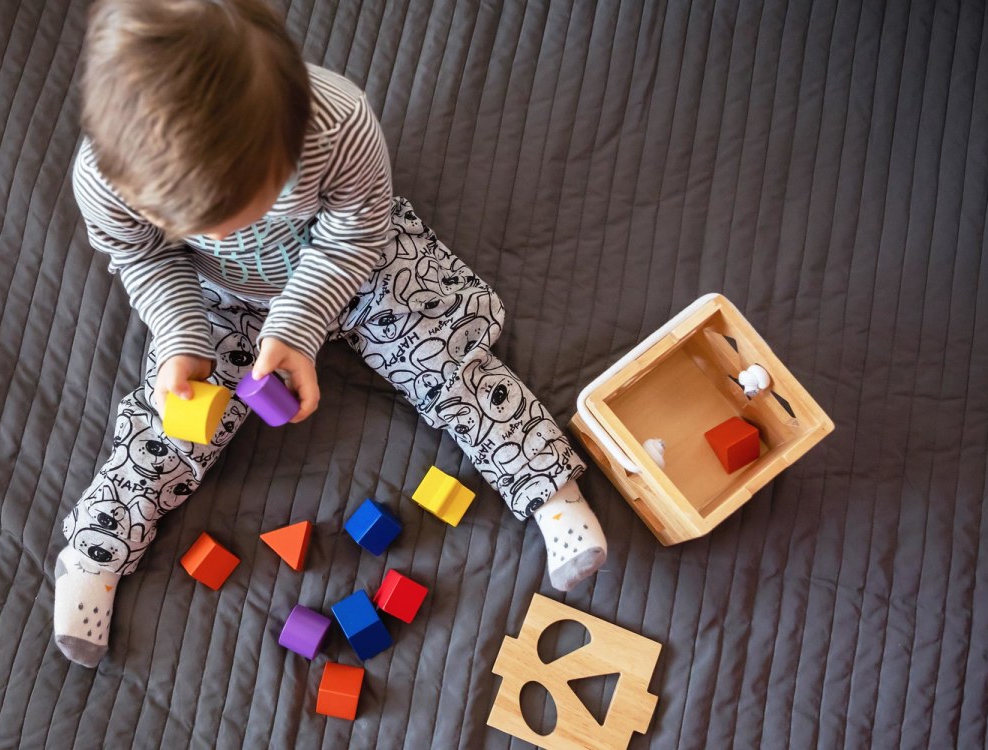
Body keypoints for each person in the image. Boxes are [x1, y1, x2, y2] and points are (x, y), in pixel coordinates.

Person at [53, 0, 607, 667]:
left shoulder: (337, 122)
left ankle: (550, 488)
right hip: (220, 300)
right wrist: (182, 340)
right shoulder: (105, 177)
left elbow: (356, 234)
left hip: (357, 261)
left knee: (449, 360)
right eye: (200, 225)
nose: (224, 235)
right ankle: (95, 551)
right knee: (169, 422)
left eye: (237, 211)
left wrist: (299, 325)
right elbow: (143, 259)